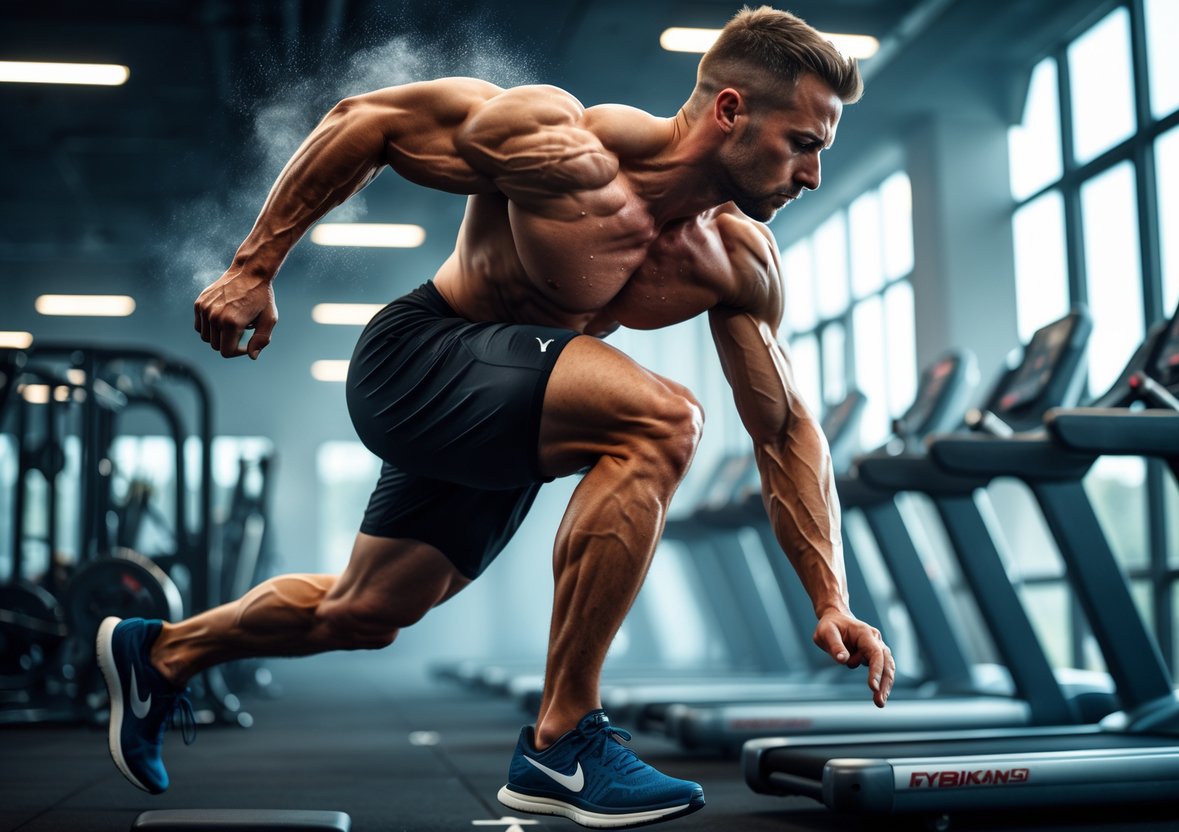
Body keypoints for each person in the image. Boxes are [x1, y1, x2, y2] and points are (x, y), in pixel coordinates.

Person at [96, 5, 895, 828]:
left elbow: (784, 428)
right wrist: (252, 268)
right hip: (421, 358)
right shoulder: (565, 145)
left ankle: (162, 652)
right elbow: (365, 120)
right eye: (803, 145)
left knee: (365, 612)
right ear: (730, 109)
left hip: (505, 414)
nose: (810, 176)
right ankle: (563, 742)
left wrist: (828, 599)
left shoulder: (736, 260)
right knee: (663, 419)